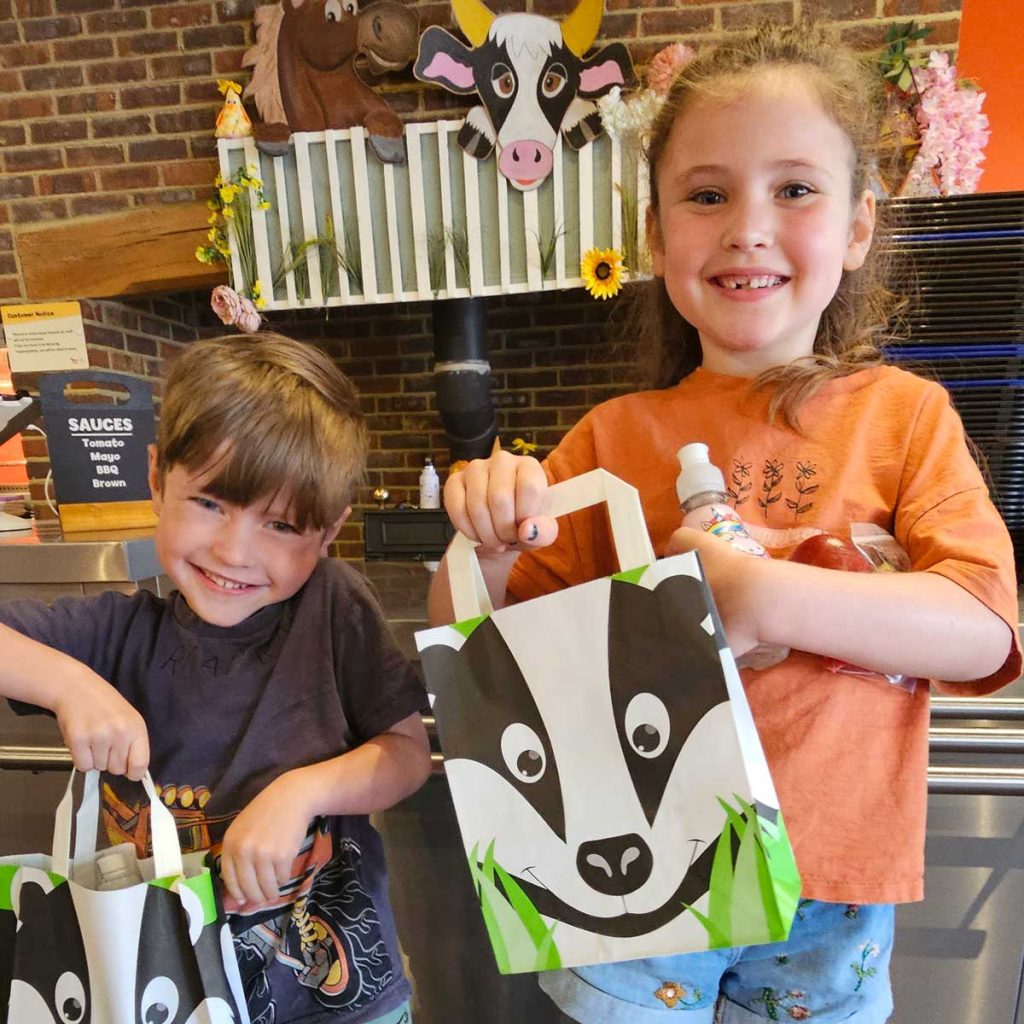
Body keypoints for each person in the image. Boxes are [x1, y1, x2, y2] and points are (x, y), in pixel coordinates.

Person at [427, 21, 1020, 1024]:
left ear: (859, 225)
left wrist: (762, 593)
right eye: (707, 195)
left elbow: (983, 626)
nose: (746, 226)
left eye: (793, 189)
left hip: (829, 886)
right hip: (632, 866)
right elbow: (481, 653)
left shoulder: (903, 417)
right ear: (656, 237)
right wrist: (479, 542)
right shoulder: (611, 438)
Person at [0, 333, 431, 1024]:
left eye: (282, 524)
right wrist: (67, 684)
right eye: (210, 503)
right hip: (160, 992)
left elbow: (408, 754)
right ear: (155, 479)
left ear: (328, 533)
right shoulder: (116, 636)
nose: (235, 550)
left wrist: (302, 790)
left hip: (336, 999)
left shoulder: (332, 607)